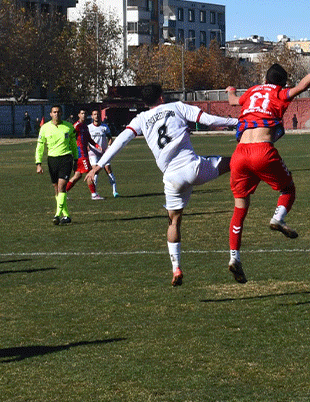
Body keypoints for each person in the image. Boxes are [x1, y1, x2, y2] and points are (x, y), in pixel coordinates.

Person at [86, 85, 238, 286]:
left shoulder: (140, 119)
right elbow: (209, 120)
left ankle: (176, 267)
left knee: (173, 222)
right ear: (161, 97)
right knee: (236, 162)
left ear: (145, 102)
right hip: (193, 167)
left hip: (172, 179)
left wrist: (99, 165)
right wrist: (238, 122)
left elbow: (121, 141)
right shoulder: (177, 106)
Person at [225, 49, 310, 283]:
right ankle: (278, 218)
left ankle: (234, 256)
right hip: (262, 151)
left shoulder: (252, 91)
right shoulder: (279, 92)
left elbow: (233, 101)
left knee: (240, 208)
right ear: (283, 82)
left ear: (265, 79)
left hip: (239, 154)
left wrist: (231, 90)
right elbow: (303, 86)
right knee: (288, 189)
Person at [34, 105, 78, 225]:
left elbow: (74, 145)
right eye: (54, 112)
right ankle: (66, 215)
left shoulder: (69, 127)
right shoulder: (44, 128)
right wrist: (38, 163)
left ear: (61, 113)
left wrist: (76, 159)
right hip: (52, 160)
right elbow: (40, 146)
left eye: (58, 112)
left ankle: (57, 215)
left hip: (66, 158)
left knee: (62, 187)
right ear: (50, 114)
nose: (56, 114)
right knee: (56, 188)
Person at [87, 109, 119, 198]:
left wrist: (109, 147)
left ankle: (115, 191)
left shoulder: (104, 127)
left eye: (97, 114)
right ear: (92, 116)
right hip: (93, 153)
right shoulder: (89, 127)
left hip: (104, 153)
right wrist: (87, 146)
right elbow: (85, 139)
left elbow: (110, 138)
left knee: (108, 170)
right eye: (94, 114)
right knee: (95, 171)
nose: (96, 116)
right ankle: (94, 193)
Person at [65, 109, 95, 199]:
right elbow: (69, 136)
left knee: (77, 175)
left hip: (84, 153)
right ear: (78, 115)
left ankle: (63, 193)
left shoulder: (85, 126)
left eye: (85, 113)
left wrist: (97, 146)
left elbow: (89, 138)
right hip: (80, 154)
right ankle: (94, 194)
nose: (84, 115)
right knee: (90, 172)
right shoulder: (76, 125)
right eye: (82, 113)